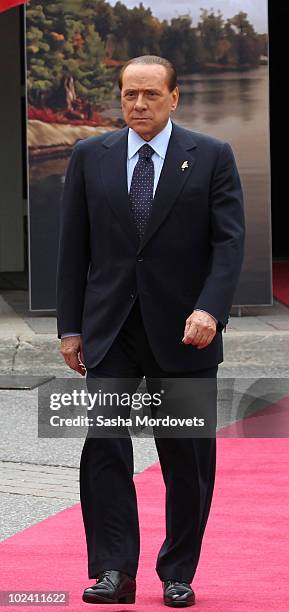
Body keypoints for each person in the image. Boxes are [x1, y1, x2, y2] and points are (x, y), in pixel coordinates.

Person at [57, 55, 245, 607]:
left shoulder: (210, 156)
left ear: (175, 97)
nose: (138, 105)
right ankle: (114, 570)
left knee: (185, 457)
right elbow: (74, 249)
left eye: (150, 95)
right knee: (106, 448)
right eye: (128, 95)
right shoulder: (91, 156)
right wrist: (70, 328)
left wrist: (210, 309)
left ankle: (178, 571)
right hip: (110, 329)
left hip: (188, 333)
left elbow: (228, 243)